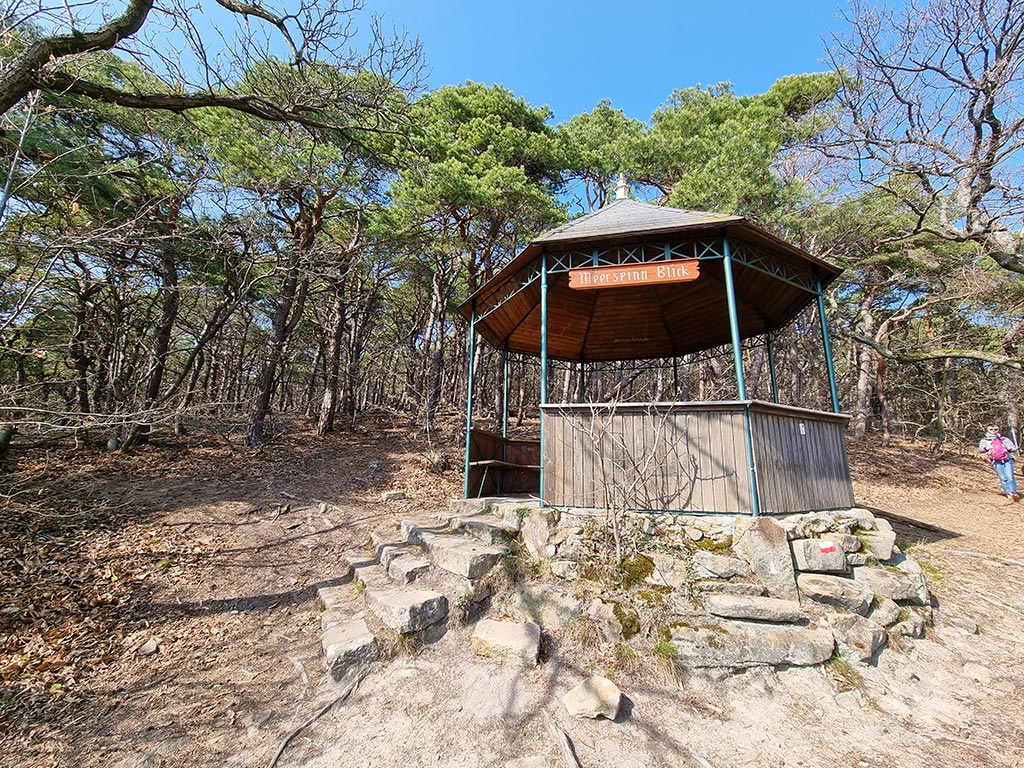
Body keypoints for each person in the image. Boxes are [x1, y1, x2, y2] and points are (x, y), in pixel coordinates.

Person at [979, 424, 1019, 501]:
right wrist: (987, 448)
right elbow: (981, 450)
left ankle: (1013, 492)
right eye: (991, 429)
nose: (993, 431)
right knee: (1003, 478)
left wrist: (1008, 448)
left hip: (1008, 459)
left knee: (1010, 476)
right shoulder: (984, 440)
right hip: (995, 461)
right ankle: (1008, 492)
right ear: (987, 430)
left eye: (996, 429)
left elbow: (1014, 448)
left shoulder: (1004, 439)